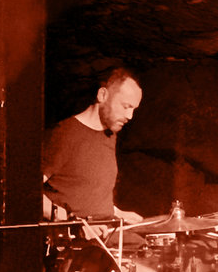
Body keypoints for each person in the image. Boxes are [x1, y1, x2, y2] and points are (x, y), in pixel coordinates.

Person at [41, 66, 145, 224]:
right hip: (74, 235)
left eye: (133, 109)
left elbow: (87, 196)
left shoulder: (110, 135)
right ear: (102, 95)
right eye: (125, 107)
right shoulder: (64, 134)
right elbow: (27, 192)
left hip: (105, 230)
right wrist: (72, 221)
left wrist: (117, 213)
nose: (129, 116)